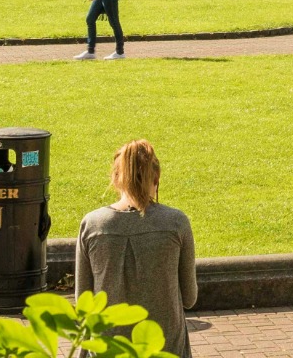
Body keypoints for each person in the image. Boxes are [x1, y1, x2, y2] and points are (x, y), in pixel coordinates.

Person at [73, 141, 199, 358]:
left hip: (106, 348)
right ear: (156, 178)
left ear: (115, 178)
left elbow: (82, 302)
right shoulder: (176, 223)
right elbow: (189, 297)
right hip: (165, 347)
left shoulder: (92, 224)